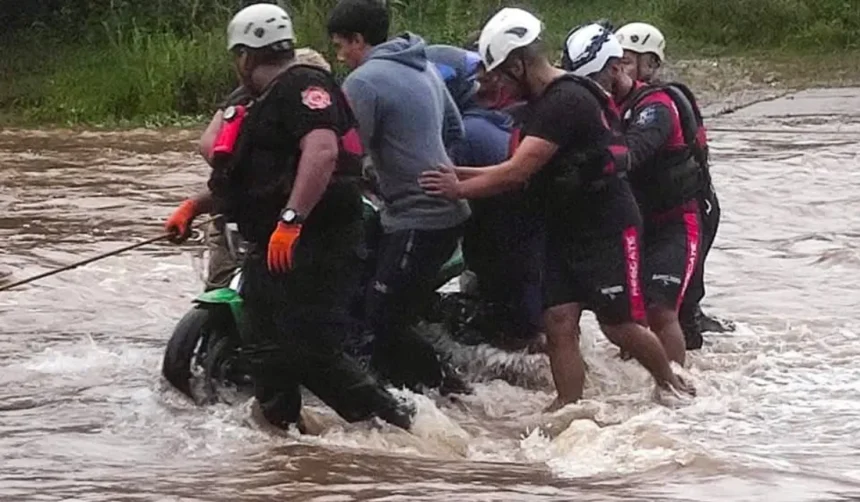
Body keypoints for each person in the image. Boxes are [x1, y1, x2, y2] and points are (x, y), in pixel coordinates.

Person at [419, 10, 695, 409]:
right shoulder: (541, 103)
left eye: (499, 74)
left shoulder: (565, 101)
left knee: (618, 326)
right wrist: (457, 172)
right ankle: (568, 405)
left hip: (606, 226)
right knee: (559, 322)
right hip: (565, 227)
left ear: (518, 64)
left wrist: (456, 188)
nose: (494, 84)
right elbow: (514, 169)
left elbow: (517, 173)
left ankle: (670, 383)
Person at [164, 3, 413, 432]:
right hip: (275, 246)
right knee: (264, 348)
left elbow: (322, 150)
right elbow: (251, 181)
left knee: (312, 350)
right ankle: (285, 443)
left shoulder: (303, 86)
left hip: (317, 242)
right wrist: (193, 206)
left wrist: (292, 220)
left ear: (244, 55)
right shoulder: (259, 104)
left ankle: (399, 426)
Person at [326, 0, 472, 394]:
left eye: (341, 46)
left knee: (382, 316)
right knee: (371, 300)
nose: (341, 57)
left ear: (358, 40)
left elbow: (345, 154)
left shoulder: (363, 81)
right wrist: (429, 164)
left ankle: (454, 394)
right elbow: (455, 130)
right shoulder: (422, 64)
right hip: (442, 211)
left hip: (419, 217)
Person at [563, 23, 701, 367]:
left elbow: (633, 153)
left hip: (675, 222)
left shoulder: (656, 106)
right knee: (629, 313)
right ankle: (631, 389)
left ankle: (677, 393)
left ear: (618, 69)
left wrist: (584, 161)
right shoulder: (597, 105)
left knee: (660, 309)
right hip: (631, 223)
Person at [614, 22, 732, 349]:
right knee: (640, 305)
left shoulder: (662, 104)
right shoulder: (620, 103)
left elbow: (635, 152)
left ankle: (692, 355)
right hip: (650, 212)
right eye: (618, 60)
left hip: (691, 207)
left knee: (676, 304)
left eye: (628, 60)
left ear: (650, 64)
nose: (620, 67)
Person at [425, 44, 545, 351]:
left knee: (520, 345)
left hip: (510, 263)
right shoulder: (491, 122)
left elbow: (440, 207)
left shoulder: (467, 134)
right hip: (526, 258)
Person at [195, 48, 332, 291]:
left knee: (220, 288)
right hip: (262, 222)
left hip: (230, 213)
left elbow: (207, 145)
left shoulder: (247, 95)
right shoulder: (291, 111)